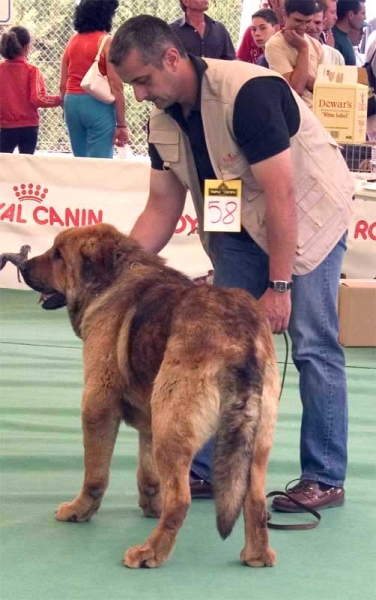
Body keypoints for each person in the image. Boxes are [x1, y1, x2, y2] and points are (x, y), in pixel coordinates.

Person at [109, 15, 354, 513]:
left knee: (311, 343)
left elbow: (283, 196)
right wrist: (116, 275)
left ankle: (324, 477)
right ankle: (204, 472)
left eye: (142, 80)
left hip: (308, 217)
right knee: (216, 343)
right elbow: (161, 207)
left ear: (172, 59)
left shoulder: (249, 93)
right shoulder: (162, 120)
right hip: (240, 229)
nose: (137, 95)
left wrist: (280, 286)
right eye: (130, 84)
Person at [60, 0, 128, 158]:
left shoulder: (72, 41)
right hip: (97, 104)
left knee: (80, 159)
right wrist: (122, 124)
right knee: (100, 162)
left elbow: (62, 85)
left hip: (71, 103)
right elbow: (116, 85)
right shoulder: (106, 42)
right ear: (106, 15)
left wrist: (66, 108)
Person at [0, 26, 61, 154]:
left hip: (5, 126)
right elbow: (38, 98)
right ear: (27, 47)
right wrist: (59, 100)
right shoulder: (32, 70)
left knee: (3, 163)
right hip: (29, 126)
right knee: (27, 163)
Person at [265, 0, 324, 109]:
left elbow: (324, 90)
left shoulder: (316, 45)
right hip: (294, 114)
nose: (303, 27)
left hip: (319, 112)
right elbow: (295, 90)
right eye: (298, 20)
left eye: (308, 21)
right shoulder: (274, 45)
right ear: (285, 15)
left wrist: (302, 76)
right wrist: (303, 49)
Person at [169, 0, 235, 60]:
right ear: (186, 1)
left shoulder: (219, 29)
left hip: (215, 73)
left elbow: (230, 60)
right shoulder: (172, 31)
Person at [333, 0, 367, 65]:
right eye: (363, 13)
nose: (365, 18)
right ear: (351, 15)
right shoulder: (335, 40)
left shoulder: (344, 37)